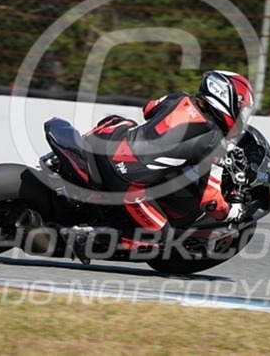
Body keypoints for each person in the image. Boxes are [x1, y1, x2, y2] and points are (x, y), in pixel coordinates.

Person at [79, 70, 255, 255]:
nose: (241, 116)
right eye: (241, 109)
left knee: (127, 123)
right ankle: (87, 237)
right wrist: (231, 212)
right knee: (162, 238)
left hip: (108, 142)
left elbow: (148, 109)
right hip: (127, 180)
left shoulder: (179, 97)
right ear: (226, 99)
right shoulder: (215, 142)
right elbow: (210, 201)